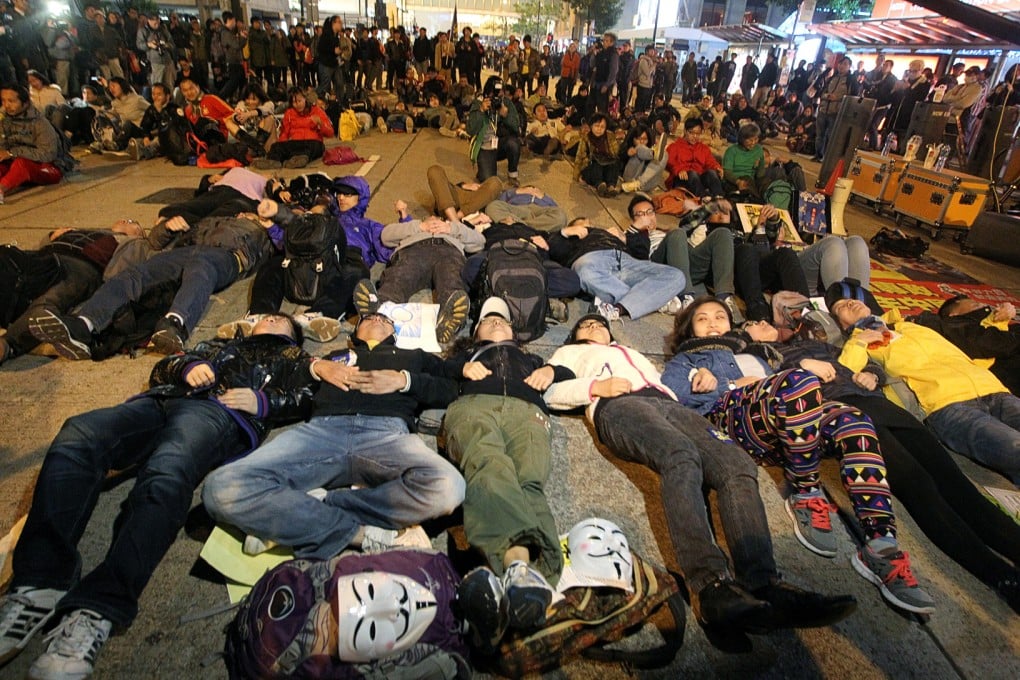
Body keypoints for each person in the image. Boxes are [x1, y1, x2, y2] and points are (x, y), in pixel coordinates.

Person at [0, 315, 315, 679]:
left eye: (279, 319)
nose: (269, 318)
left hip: (219, 413)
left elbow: (310, 396)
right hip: (161, 400)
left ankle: (97, 609)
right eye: (265, 316)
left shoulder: (293, 356)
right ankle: (38, 583)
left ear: (292, 334)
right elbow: (165, 366)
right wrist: (188, 366)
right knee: (79, 433)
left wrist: (263, 401)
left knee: (167, 472)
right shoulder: (217, 345)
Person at [542, 315, 857, 644]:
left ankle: (763, 584)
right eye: (585, 326)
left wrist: (699, 378)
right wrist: (594, 387)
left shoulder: (631, 352)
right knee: (680, 456)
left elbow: (675, 383)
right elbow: (549, 391)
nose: (593, 328)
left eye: (599, 324)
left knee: (736, 464)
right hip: (619, 405)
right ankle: (710, 587)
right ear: (575, 337)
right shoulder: (570, 355)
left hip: (671, 406)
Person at [662, 297, 935, 614]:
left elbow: (790, 385)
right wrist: (727, 383)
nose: (713, 322)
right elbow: (672, 395)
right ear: (689, 329)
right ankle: (805, 491)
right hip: (734, 419)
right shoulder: (687, 360)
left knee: (855, 421)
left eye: (720, 316)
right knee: (798, 380)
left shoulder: (757, 355)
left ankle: (881, 545)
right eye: (702, 318)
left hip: (790, 428)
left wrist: (796, 370)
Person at [742, 315, 1020, 612]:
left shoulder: (811, 343)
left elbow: (858, 363)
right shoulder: (756, 358)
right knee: (919, 486)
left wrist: (873, 374)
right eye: (751, 324)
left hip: (878, 403)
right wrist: (800, 368)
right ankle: (1002, 576)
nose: (760, 322)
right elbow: (762, 397)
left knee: (956, 483)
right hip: (846, 413)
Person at [202, 310, 465, 558]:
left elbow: (453, 387)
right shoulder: (331, 356)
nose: (375, 319)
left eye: (383, 318)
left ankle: (311, 508)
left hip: (387, 434)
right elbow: (290, 385)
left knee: (449, 487)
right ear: (353, 335)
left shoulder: (414, 356)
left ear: (394, 332)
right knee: (220, 487)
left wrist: (405, 380)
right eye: (367, 317)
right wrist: (312, 370)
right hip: (321, 431)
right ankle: (359, 535)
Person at [443, 297, 570, 643]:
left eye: (503, 320)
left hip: (526, 409)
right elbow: (429, 369)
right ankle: (519, 569)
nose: (497, 323)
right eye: (488, 320)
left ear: (514, 331)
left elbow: (570, 373)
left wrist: (551, 371)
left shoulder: (530, 358)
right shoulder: (466, 356)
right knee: (488, 466)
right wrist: (459, 369)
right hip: (474, 406)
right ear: (476, 332)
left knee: (529, 480)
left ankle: (519, 587)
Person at [29, 209, 276, 358]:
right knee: (135, 274)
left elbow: (292, 241)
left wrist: (272, 227)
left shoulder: (263, 234)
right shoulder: (212, 221)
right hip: (185, 250)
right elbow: (154, 242)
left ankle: (174, 324)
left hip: (227, 257)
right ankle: (84, 324)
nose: (245, 215)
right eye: (243, 213)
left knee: (202, 267)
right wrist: (168, 227)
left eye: (251, 214)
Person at [829, 292, 1020, 484]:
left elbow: (977, 350)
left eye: (853, 299)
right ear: (841, 324)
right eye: (842, 306)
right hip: (947, 406)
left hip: (992, 389)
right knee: (1014, 447)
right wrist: (859, 341)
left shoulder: (912, 324)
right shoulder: (857, 344)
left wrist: (998, 322)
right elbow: (845, 375)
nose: (851, 302)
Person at [0, 220, 145, 366]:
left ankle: (8, 344)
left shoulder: (131, 242)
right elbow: (40, 247)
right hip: (51, 258)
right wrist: (52, 236)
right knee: (10, 262)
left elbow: (124, 274)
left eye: (132, 222)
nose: (124, 221)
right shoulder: (87, 231)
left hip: (83, 266)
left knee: (51, 300)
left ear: (138, 232)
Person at [354, 212, 485, 344]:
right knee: (397, 279)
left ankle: (449, 319)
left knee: (452, 280)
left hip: (448, 252)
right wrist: (419, 226)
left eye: (438, 220)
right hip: (414, 253)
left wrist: (452, 228)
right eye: (430, 218)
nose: (434, 221)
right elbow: (385, 236)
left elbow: (480, 242)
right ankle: (377, 312)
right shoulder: (413, 226)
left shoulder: (454, 228)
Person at [546, 216, 685, 321]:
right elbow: (551, 249)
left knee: (676, 276)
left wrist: (626, 238)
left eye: (590, 224)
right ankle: (642, 301)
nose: (589, 226)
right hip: (593, 262)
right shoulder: (569, 238)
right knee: (585, 270)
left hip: (625, 262)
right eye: (583, 223)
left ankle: (621, 305)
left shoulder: (611, 234)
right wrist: (564, 232)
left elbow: (642, 255)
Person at [625, 195, 738, 316]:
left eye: (649, 212)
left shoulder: (666, 232)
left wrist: (711, 207)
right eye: (640, 214)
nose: (646, 217)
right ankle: (686, 298)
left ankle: (724, 298)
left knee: (722, 233)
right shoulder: (630, 236)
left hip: (685, 265)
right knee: (677, 233)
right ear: (633, 220)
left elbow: (688, 223)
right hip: (659, 267)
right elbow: (637, 261)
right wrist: (636, 230)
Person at [912, 296, 1019, 396]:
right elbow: (986, 342)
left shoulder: (992, 329)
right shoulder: (949, 325)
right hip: (982, 393)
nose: (981, 304)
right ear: (953, 313)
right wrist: (999, 320)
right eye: (974, 304)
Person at [0, 83, 68, 204]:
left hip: (48, 168)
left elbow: (48, 154)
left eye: (11, 101)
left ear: (25, 103)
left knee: (22, 163)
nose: (6, 105)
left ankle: (1, 189)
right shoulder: (5, 121)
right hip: (16, 165)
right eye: (3, 101)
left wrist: (12, 153)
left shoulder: (40, 123)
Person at [255, 87, 332, 169]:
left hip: (311, 142)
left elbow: (330, 132)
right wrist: (281, 145)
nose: (297, 104)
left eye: (299, 101)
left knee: (314, 147)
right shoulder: (289, 113)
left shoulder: (316, 111)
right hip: (295, 143)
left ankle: (299, 159)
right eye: (294, 102)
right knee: (276, 146)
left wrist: (320, 123)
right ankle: (274, 161)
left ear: (305, 99)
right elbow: (284, 133)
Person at [467, 76, 521, 186]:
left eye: (501, 92)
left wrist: (506, 115)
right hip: (485, 146)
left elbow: (516, 127)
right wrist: (481, 111)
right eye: (495, 92)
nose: (497, 95)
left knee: (514, 143)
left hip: (500, 144)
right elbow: (470, 129)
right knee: (488, 181)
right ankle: (483, 168)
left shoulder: (506, 103)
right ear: (488, 91)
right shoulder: (478, 103)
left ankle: (512, 175)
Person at [666, 117, 724, 197]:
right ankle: (703, 198)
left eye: (698, 133)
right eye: (691, 133)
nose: (695, 136)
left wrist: (717, 167)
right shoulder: (675, 146)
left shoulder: (703, 148)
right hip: (682, 179)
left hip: (699, 179)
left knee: (712, 173)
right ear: (685, 131)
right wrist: (679, 170)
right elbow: (669, 162)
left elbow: (710, 161)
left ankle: (720, 198)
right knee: (693, 174)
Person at [426, 164, 503, 222]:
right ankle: (455, 221)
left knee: (495, 182)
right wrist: (463, 185)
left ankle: (453, 220)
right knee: (434, 170)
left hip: (475, 203)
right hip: (452, 198)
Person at [573, 113, 621, 197]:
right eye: (597, 126)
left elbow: (615, 152)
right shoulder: (586, 138)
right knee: (595, 164)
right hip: (591, 167)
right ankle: (599, 185)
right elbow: (579, 156)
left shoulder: (610, 136)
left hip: (605, 165)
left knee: (614, 163)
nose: (599, 129)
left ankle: (611, 186)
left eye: (602, 127)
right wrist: (577, 176)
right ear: (591, 126)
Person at [618, 124, 666, 194]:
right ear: (633, 138)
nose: (642, 141)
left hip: (642, 185)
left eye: (644, 139)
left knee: (664, 154)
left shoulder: (649, 148)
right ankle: (653, 153)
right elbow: (617, 162)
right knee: (639, 147)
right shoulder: (628, 148)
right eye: (638, 138)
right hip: (629, 180)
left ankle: (638, 183)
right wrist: (626, 154)